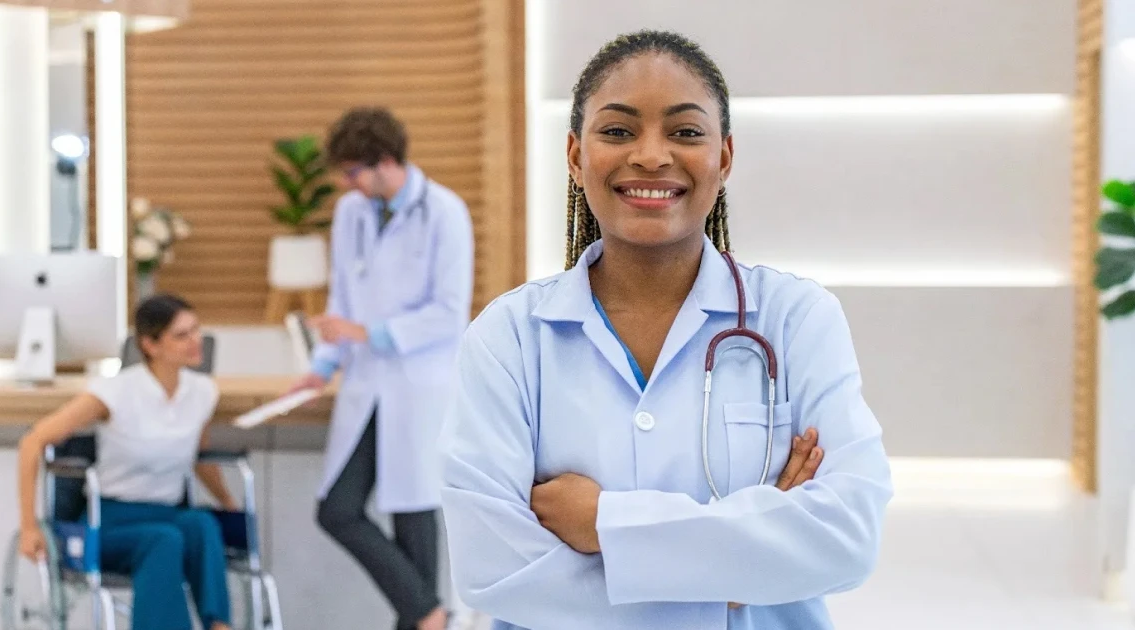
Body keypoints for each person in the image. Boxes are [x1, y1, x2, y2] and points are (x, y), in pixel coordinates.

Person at [438, 30, 893, 629]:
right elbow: (493, 569)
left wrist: (603, 522)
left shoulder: (796, 319)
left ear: (724, 158)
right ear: (575, 155)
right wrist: (732, 581)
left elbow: (848, 536)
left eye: (685, 132)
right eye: (618, 131)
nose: (651, 155)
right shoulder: (510, 339)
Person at [289, 106, 474, 630]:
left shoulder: (444, 212)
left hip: (418, 386)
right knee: (340, 510)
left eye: (353, 173)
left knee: (412, 515)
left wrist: (371, 335)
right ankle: (432, 614)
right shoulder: (352, 214)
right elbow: (342, 299)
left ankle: (427, 615)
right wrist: (322, 365)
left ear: (385, 162)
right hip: (367, 385)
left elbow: (448, 311)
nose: (348, 186)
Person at [16, 294, 235, 630]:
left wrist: (228, 503)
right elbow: (33, 442)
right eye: (181, 335)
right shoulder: (114, 392)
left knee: (203, 526)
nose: (195, 342)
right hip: (109, 520)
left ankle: (221, 627)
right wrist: (29, 527)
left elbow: (198, 458)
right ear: (150, 345)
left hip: (168, 512)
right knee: (163, 540)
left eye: (196, 330)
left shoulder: (203, 392)